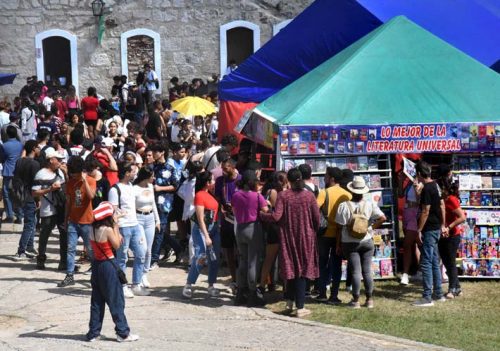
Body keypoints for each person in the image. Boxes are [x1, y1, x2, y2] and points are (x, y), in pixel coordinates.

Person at [260, 168, 320, 318]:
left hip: (288, 237)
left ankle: (289, 302)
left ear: (289, 181)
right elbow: (316, 218)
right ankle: (300, 307)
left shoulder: (283, 196)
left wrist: (261, 215)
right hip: (306, 237)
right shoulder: (309, 196)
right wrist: (313, 230)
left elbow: (276, 217)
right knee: (301, 270)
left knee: (291, 268)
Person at [86, 201, 139, 343]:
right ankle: (122, 333)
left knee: (97, 301)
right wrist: (115, 225)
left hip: (97, 266)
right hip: (109, 265)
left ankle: (93, 333)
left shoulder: (92, 228)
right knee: (116, 300)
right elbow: (117, 244)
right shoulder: (107, 229)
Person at [335, 176, 386, 309]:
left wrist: (338, 244)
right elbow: (382, 218)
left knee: (356, 271)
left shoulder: (343, 206)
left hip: (350, 242)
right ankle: (369, 299)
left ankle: (356, 300)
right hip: (367, 240)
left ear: (351, 191)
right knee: (367, 271)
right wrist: (370, 228)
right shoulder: (369, 204)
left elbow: (339, 228)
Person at [108, 161, 149, 297]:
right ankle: (122, 285)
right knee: (122, 258)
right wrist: (116, 231)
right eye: (133, 171)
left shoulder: (131, 186)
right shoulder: (115, 190)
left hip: (135, 225)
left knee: (141, 254)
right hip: (123, 227)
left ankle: (136, 284)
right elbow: (113, 213)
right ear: (126, 173)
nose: (135, 173)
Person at [231, 170, 268, 306]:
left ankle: (240, 292)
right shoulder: (257, 196)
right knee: (253, 262)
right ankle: (252, 294)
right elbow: (265, 210)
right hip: (253, 228)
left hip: (240, 229)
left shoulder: (236, 195)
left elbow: (234, 211)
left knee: (243, 260)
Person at [412, 161, 447, 307]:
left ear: (419, 174)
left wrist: (418, 230)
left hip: (429, 229)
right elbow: (441, 205)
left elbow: (425, 211)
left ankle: (427, 297)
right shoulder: (435, 186)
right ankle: (438, 293)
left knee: (426, 262)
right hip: (436, 227)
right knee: (433, 260)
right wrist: (443, 224)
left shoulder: (427, 188)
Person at [182, 171, 221, 299]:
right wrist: (207, 236)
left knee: (214, 258)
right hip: (202, 230)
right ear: (207, 182)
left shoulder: (211, 194)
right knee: (201, 256)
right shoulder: (199, 195)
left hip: (214, 228)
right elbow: (200, 219)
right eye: (212, 180)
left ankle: (211, 284)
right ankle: (189, 284)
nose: (214, 182)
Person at [316, 167, 352, 305]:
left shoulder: (324, 193)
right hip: (340, 234)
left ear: (331, 178)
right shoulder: (347, 194)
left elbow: (315, 208)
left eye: (326, 175)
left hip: (325, 233)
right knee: (336, 264)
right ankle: (334, 295)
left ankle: (322, 293)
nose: (324, 178)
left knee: (322, 263)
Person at [58, 156, 96, 287]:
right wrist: (66, 217)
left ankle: (95, 274)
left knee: (90, 250)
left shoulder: (91, 180)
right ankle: (69, 275)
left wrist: (84, 181)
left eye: (74, 173)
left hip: (87, 221)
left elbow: (91, 196)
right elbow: (68, 202)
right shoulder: (70, 183)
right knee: (71, 249)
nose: (72, 175)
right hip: (73, 221)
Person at [32, 148, 68, 270]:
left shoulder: (61, 172)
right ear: (51, 160)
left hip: (61, 208)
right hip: (48, 210)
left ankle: (63, 262)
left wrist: (66, 173)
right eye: (58, 159)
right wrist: (50, 190)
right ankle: (41, 259)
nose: (60, 162)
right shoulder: (41, 174)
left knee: (64, 235)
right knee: (44, 235)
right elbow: (34, 192)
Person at [150, 142, 183, 269]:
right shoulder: (153, 166)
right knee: (159, 230)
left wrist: (160, 188)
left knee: (159, 231)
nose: (153, 154)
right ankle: (177, 248)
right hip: (152, 202)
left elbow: (175, 186)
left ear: (162, 152)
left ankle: (154, 259)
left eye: (155, 152)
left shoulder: (170, 167)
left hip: (165, 203)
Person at [437, 166, 466, 299]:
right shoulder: (443, 199)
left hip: (452, 235)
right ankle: (458, 288)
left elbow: (462, 217)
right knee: (447, 262)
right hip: (445, 234)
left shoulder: (451, 199)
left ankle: (452, 289)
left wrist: (449, 227)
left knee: (450, 262)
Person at [214, 158, 241, 293]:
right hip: (226, 220)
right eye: (222, 168)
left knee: (241, 251)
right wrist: (221, 208)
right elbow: (217, 198)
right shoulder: (220, 181)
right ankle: (234, 280)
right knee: (228, 250)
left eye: (226, 168)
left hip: (240, 220)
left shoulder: (241, 180)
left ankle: (242, 280)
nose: (223, 171)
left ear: (233, 167)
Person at [258, 171, 288, 293]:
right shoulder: (275, 192)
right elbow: (278, 211)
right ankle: (282, 286)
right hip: (276, 228)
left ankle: (263, 284)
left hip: (269, 227)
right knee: (279, 259)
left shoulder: (266, 190)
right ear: (280, 181)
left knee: (268, 259)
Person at [12, 140, 41, 260]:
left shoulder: (19, 161)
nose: (40, 149)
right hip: (29, 196)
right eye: (38, 147)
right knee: (29, 224)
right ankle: (21, 250)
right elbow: (36, 184)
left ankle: (29, 247)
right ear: (34, 148)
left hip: (20, 195)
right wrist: (38, 199)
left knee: (32, 221)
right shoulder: (35, 164)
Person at [133, 166, 160, 288]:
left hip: (150, 219)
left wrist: (157, 220)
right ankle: (138, 276)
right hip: (138, 218)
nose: (154, 178)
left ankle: (144, 274)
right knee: (142, 249)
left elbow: (153, 203)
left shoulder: (150, 187)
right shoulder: (135, 189)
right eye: (152, 176)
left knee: (149, 249)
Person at [398, 159, 423, 285]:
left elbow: (421, 200)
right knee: (413, 244)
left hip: (415, 214)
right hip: (407, 213)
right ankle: (418, 271)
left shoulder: (421, 181)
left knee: (409, 243)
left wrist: (416, 186)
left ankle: (406, 273)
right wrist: (401, 181)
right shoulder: (409, 182)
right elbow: (400, 194)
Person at [0, 125, 24, 223]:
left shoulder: (4, 145)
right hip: (18, 170)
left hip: (8, 170)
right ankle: (19, 215)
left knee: (6, 193)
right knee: (17, 193)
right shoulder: (20, 144)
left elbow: (1, 158)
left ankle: (10, 215)